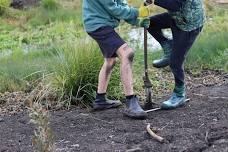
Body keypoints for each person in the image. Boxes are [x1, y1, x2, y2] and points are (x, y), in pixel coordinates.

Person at [82, 0, 151, 119]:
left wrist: (138, 21)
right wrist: (137, 12)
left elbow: (121, 5)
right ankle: (130, 102)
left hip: (101, 25)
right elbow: (113, 9)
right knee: (127, 53)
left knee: (110, 61)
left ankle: (100, 100)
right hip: (98, 25)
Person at [144, 0, 205, 109]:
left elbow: (176, 5)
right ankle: (169, 47)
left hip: (189, 23)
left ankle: (179, 94)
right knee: (150, 23)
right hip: (177, 17)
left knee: (175, 62)